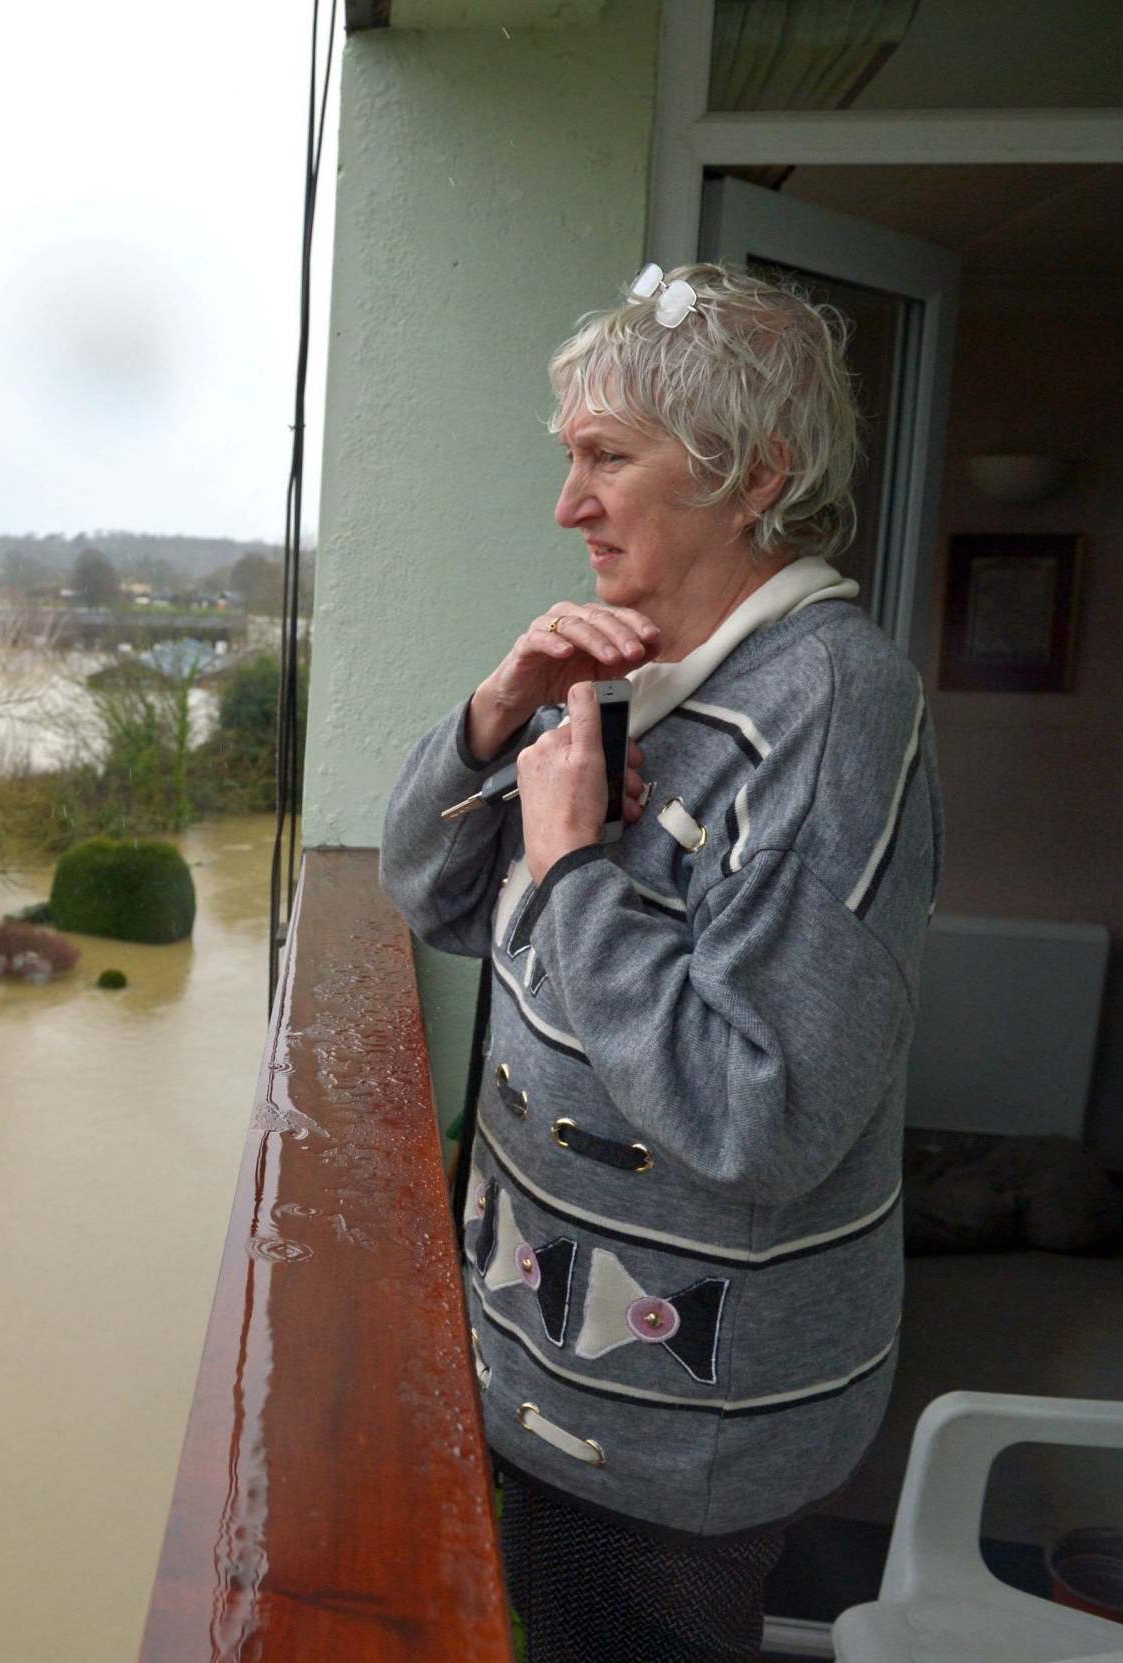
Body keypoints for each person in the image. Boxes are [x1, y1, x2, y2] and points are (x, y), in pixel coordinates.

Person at [380, 262, 943, 1663]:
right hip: (548, 1369)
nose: (566, 507)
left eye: (604, 461)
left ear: (749, 475)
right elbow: (430, 896)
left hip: (672, 1432)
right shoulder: (641, 678)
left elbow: (759, 1111)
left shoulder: (828, 711)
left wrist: (574, 863)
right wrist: (499, 711)